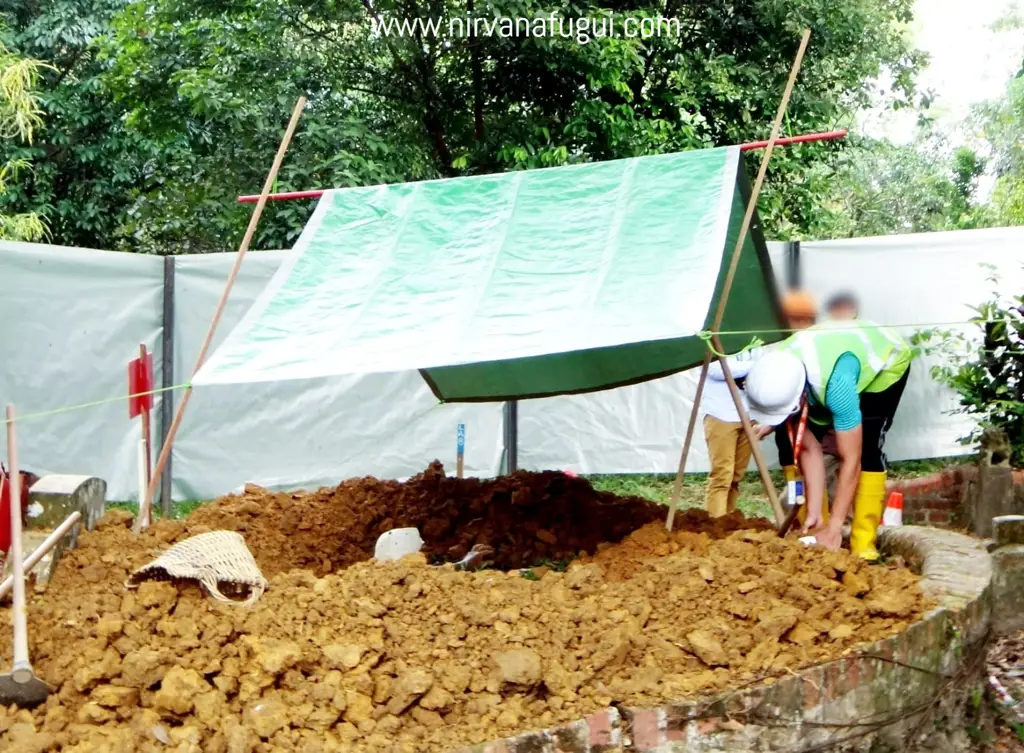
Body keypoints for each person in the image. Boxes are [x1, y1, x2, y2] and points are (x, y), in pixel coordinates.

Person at [742, 320, 914, 560]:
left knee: (867, 447)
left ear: (799, 395)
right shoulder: (775, 369)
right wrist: (814, 509)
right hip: (828, 366)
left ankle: (862, 544)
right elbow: (808, 448)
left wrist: (835, 526)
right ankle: (816, 525)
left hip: (884, 363)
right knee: (803, 436)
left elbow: (851, 460)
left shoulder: (837, 388)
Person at [702, 347, 763, 518]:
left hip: (748, 415)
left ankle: (728, 520)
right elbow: (717, 369)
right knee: (722, 475)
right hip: (720, 415)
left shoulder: (753, 342)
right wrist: (755, 367)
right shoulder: (713, 339)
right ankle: (716, 522)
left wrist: (754, 367)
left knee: (737, 476)